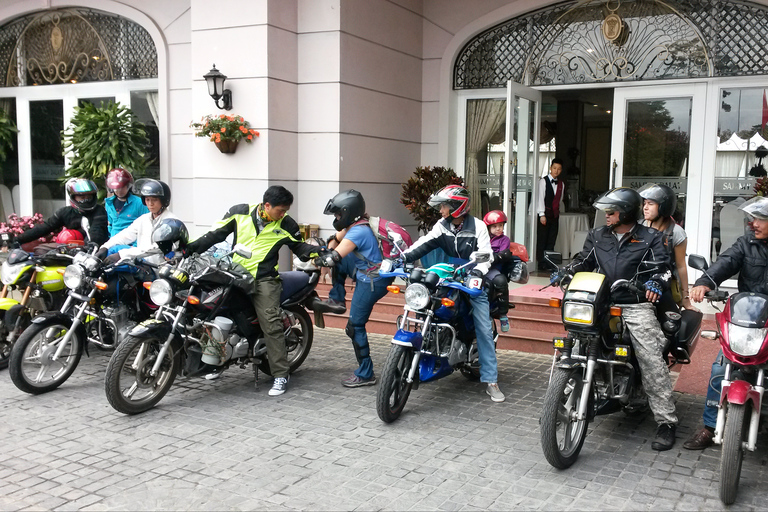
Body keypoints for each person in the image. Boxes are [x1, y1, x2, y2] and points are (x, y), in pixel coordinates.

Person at [565, 187, 678, 451]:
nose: (606, 215)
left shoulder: (651, 237)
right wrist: (566, 271)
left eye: (611, 211)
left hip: (635, 304)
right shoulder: (597, 236)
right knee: (577, 343)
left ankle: (666, 421)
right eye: (606, 210)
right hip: (601, 301)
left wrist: (654, 283)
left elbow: (663, 269)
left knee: (651, 358)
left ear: (626, 212)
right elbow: (584, 261)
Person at [184, 185, 320, 397]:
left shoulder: (286, 223)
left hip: (264, 280)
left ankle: (281, 375)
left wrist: (319, 252)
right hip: (234, 274)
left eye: (285, 210)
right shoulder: (239, 212)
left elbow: (300, 248)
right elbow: (215, 235)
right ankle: (216, 361)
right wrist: (188, 248)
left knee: (271, 322)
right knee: (212, 313)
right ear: (266, 205)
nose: (283, 214)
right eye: (280, 210)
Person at [399, 184, 505, 403]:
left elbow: (485, 254)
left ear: (457, 206)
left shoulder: (478, 226)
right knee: (426, 304)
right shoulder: (442, 225)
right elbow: (424, 243)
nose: (441, 210)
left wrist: (476, 271)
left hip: (474, 276)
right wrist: (402, 258)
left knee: (483, 328)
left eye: (444, 206)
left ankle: (491, 380)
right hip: (449, 273)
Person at [683, 196, 768, 450]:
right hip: (749, 320)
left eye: (759, 219)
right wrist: (705, 282)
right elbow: (726, 262)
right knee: (722, 369)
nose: (753, 224)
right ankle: (710, 427)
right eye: (752, 219)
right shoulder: (747, 244)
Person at [312, 190, 395, 387]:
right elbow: (336, 238)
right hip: (367, 274)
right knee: (339, 261)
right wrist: (331, 245)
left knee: (355, 326)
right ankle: (337, 298)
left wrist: (313, 259)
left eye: (338, 214)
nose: (336, 218)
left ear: (348, 212)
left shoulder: (358, 231)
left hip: (372, 282)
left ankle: (366, 373)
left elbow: (333, 257)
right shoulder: (357, 224)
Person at [638, 183, 699, 313]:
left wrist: (685, 298)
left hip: (663, 287)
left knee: (672, 324)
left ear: (664, 206)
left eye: (650, 204)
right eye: (644, 203)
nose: (645, 208)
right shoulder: (638, 228)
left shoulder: (676, 233)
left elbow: (681, 266)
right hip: (638, 285)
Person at [97, 179, 178, 265]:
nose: (150, 203)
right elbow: (125, 235)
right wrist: (104, 247)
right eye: (147, 199)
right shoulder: (143, 219)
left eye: (154, 200)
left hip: (161, 270)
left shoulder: (171, 221)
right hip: (143, 267)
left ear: (163, 200)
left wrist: (121, 254)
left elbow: (156, 248)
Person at [11, 178, 109, 248]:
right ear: (73, 197)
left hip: (95, 252)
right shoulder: (65, 212)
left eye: (88, 197)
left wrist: (92, 244)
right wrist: (19, 239)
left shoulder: (99, 211)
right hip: (70, 251)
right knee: (39, 253)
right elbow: (45, 227)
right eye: (82, 197)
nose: (86, 200)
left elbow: (97, 231)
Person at [483, 210, 511, 332]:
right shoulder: (483, 237)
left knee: (501, 281)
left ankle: (503, 314)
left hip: (493, 269)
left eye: (500, 226)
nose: (498, 229)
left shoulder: (504, 240)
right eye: (494, 226)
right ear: (488, 228)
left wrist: (495, 256)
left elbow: (504, 254)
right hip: (479, 268)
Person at [104, 168, 148, 239]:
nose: (119, 191)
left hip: (131, 244)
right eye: (117, 188)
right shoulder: (109, 203)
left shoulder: (139, 203)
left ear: (128, 186)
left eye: (122, 188)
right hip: (113, 243)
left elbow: (147, 225)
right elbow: (110, 224)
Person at [536, 158, 564, 270]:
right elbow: (540, 198)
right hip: (545, 215)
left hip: (555, 216)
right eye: (554, 168)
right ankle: (541, 263)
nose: (556, 171)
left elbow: (560, 200)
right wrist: (541, 214)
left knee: (552, 240)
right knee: (542, 239)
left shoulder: (562, 184)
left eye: (559, 169)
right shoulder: (543, 181)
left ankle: (549, 262)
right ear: (550, 168)